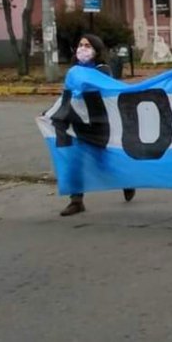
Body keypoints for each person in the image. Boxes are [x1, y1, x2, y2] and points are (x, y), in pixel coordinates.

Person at [59, 34, 136, 216]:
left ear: (96, 49)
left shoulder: (103, 70)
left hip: (98, 120)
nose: (83, 48)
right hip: (76, 120)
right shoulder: (74, 70)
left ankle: (127, 180)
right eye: (80, 44)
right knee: (74, 160)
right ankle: (76, 201)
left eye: (87, 45)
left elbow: (91, 85)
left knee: (104, 161)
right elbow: (67, 95)